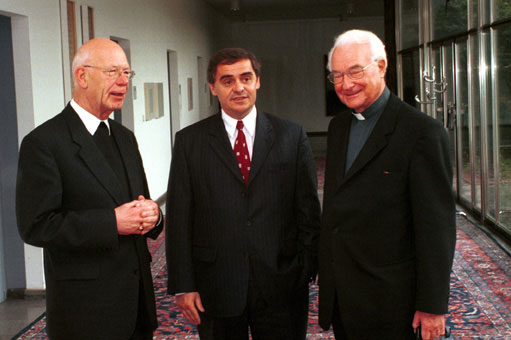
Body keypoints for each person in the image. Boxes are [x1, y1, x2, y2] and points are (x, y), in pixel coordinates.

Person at [165, 47, 321, 340]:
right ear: (213, 87)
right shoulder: (190, 142)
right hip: (216, 285)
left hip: (282, 283)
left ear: (257, 81)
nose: (239, 88)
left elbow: (308, 211)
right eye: (227, 80)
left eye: (246, 78)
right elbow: (179, 217)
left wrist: (304, 268)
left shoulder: (291, 136)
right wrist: (184, 284)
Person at [16, 38, 163, 340]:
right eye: (113, 72)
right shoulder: (44, 143)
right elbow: (36, 225)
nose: (124, 81)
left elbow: (140, 201)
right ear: (82, 76)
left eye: (127, 73)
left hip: (137, 304)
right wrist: (112, 223)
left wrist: (154, 215)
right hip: (86, 312)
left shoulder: (124, 137)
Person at [318, 29, 456, 340]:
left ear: (381, 67)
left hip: (394, 302)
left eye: (355, 71)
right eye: (337, 75)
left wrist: (433, 305)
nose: (345, 83)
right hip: (344, 297)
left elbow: (436, 228)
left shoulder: (422, 132)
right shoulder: (339, 127)